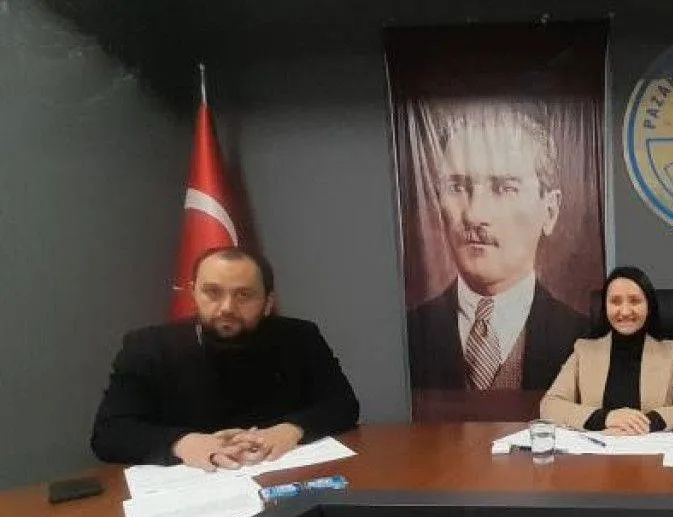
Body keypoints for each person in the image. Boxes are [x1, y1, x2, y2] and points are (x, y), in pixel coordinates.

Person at [91, 248, 360, 469]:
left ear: (268, 302)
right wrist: (183, 442)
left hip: (281, 477)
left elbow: (343, 404)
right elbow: (110, 433)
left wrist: (291, 430)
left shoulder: (300, 336)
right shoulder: (147, 347)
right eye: (212, 292)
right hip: (193, 489)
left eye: (244, 295)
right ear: (193, 293)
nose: (227, 308)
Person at [406, 104, 589, 401]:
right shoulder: (408, 334)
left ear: (550, 211)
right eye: (457, 187)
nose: (474, 215)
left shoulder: (585, 337)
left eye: (504, 188)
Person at [540, 267, 673, 433]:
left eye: (635, 301)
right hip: (598, 450)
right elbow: (550, 405)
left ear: (648, 306)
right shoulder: (584, 352)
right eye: (615, 302)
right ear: (605, 307)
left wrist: (649, 421)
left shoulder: (671, 353)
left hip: (651, 451)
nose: (625, 311)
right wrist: (606, 418)